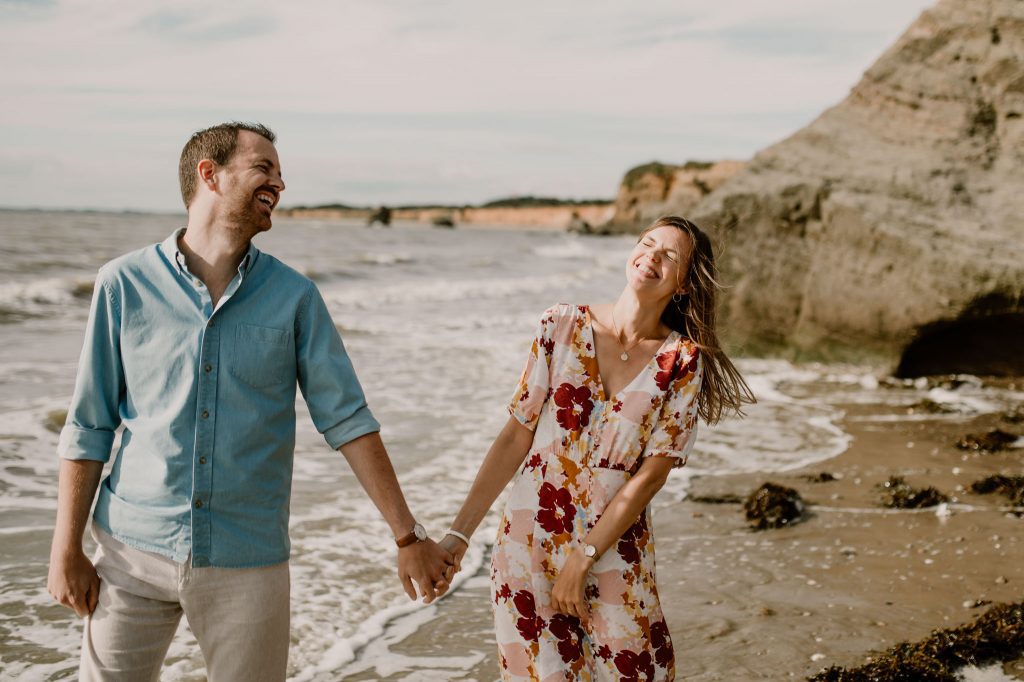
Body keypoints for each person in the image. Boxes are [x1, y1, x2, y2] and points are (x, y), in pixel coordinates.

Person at [46, 121, 454, 681]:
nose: (279, 185)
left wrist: (408, 536)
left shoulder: (295, 298)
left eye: (281, 174)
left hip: (248, 563)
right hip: (129, 555)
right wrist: (64, 549)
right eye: (263, 168)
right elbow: (90, 424)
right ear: (208, 175)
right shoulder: (123, 284)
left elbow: (347, 420)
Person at [438, 216, 755, 680]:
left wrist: (583, 558)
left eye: (669, 255)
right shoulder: (560, 325)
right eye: (647, 244)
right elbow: (514, 435)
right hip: (529, 545)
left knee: (634, 670)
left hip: (614, 549)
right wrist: (459, 536)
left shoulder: (682, 361)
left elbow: (652, 475)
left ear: (684, 282)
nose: (651, 256)